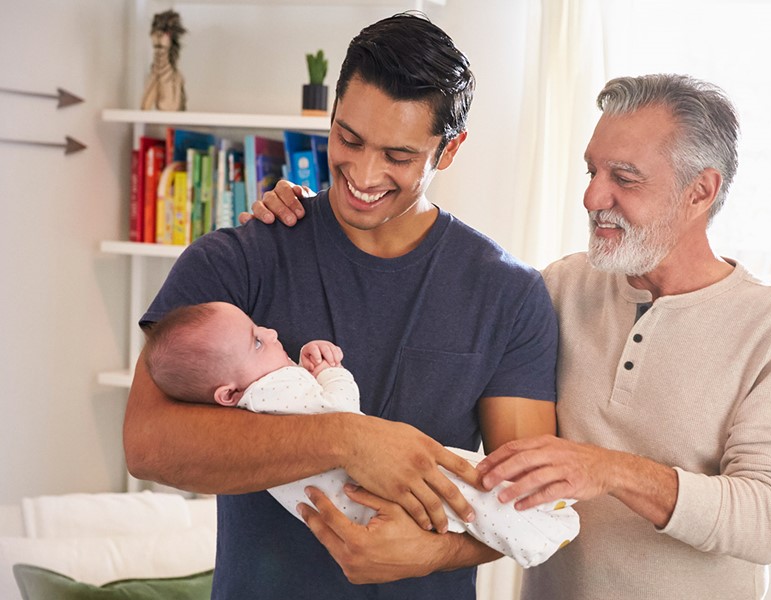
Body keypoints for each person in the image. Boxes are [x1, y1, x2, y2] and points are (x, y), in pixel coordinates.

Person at [252, 73, 771, 599]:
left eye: (624, 178)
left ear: (700, 192)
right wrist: (325, 213)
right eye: (592, 171)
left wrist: (611, 470)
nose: (592, 197)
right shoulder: (561, 287)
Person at [123, 12, 559, 599]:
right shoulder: (239, 260)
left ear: (449, 150)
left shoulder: (509, 293)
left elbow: (529, 504)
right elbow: (148, 445)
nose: (364, 172)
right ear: (330, 118)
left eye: (399, 156)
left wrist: (433, 553)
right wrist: (347, 440)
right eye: (349, 139)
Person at [142, 301, 579, 569]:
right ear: (229, 392)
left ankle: (535, 525)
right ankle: (536, 530)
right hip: (363, 487)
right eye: (258, 341)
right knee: (464, 487)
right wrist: (331, 371)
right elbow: (344, 417)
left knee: (457, 505)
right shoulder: (276, 387)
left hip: (345, 509)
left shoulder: (248, 403)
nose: (272, 333)